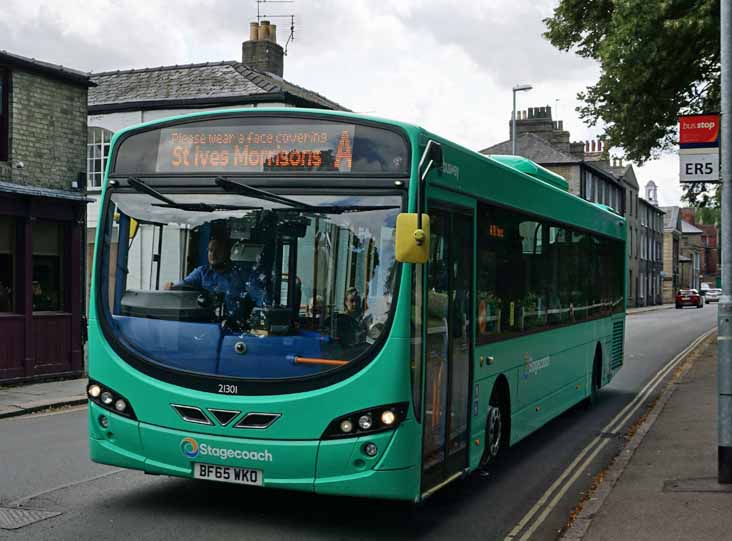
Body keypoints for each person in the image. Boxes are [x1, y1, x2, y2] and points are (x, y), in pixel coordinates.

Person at [164, 237, 247, 321]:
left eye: (217, 251)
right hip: (207, 322)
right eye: (210, 250)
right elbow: (182, 286)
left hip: (235, 325)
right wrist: (171, 286)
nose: (213, 254)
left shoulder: (241, 274)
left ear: (227, 252)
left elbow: (257, 298)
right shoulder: (202, 272)